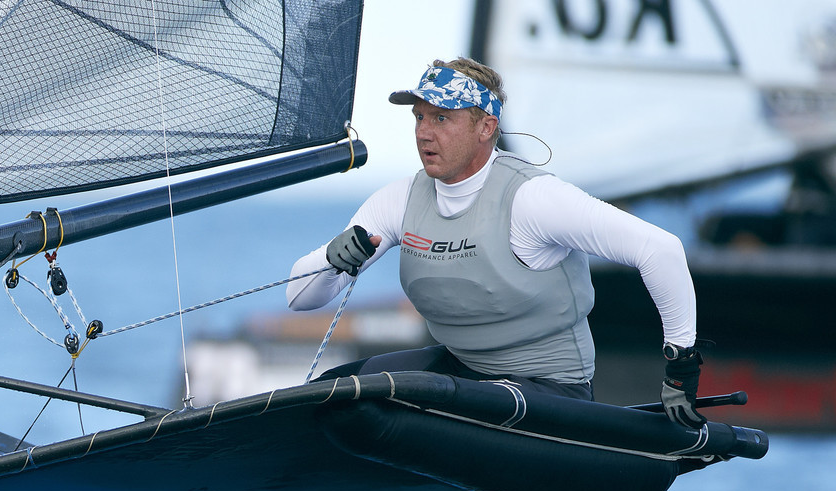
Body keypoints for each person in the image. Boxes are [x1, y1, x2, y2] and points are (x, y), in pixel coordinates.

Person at [286, 58, 707, 426]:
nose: (423, 133)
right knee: (331, 392)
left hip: (550, 386)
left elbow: (661, 250)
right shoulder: (399, 200)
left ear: (486, 126)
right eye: (419, 117)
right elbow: (299, 298)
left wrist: (681, 367)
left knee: (454, 408)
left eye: (442, 119)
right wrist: (330, 259)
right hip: (462, 370)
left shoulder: (534, 198)